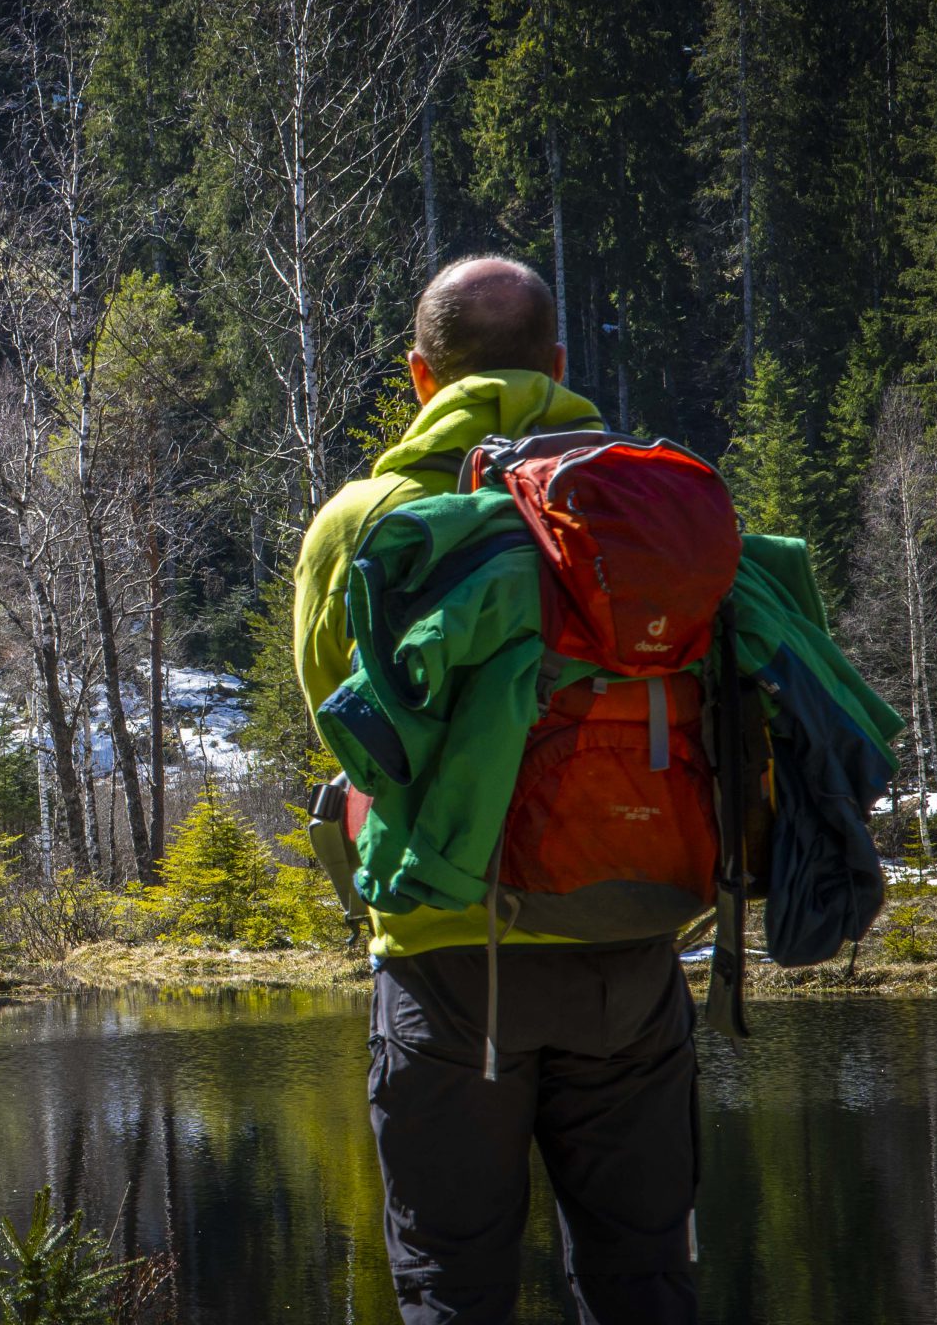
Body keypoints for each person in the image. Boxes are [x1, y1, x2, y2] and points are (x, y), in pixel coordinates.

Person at [292, 257, 699, 1325]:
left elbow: (343, 720)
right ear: (557, 365)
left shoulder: (364, 518)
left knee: (452, 1283)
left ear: (421, 376)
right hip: (630, 938)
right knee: (643, 1279)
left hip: (445, 955)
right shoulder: (650, 507)